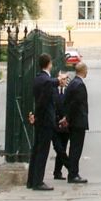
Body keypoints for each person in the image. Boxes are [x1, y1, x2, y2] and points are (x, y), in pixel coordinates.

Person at [26, 53, 58, 191]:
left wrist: (34, 115)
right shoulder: (45, 80)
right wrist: (37, 115)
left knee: (36, 149)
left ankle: (32, 180)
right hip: (45, 120)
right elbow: (43, 102)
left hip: (40, 119)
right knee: (42, 151)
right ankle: (38, 181)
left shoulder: (38, 78)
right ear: (49, 64)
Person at [62, 62, 90, 184]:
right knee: (76, 149)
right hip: (78, 121)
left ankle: (73, 173)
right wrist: (68, 118)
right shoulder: (79, 85)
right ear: (83, 71)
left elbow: (67, 101)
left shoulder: (72, 83)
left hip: (73, 121)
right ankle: (73, 174)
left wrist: (67, 117)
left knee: (74, 148)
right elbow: (76, 104)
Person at [52, 72, 70, 180]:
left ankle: (57, 172)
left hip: (65, 124)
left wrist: (67, 118)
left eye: (65, 79)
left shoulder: (68, 91)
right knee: (58, 147)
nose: (63, 81)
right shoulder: (53, 90)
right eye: (62, 79)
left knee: (63, 147)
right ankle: (70, 167)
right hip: (54, 123)